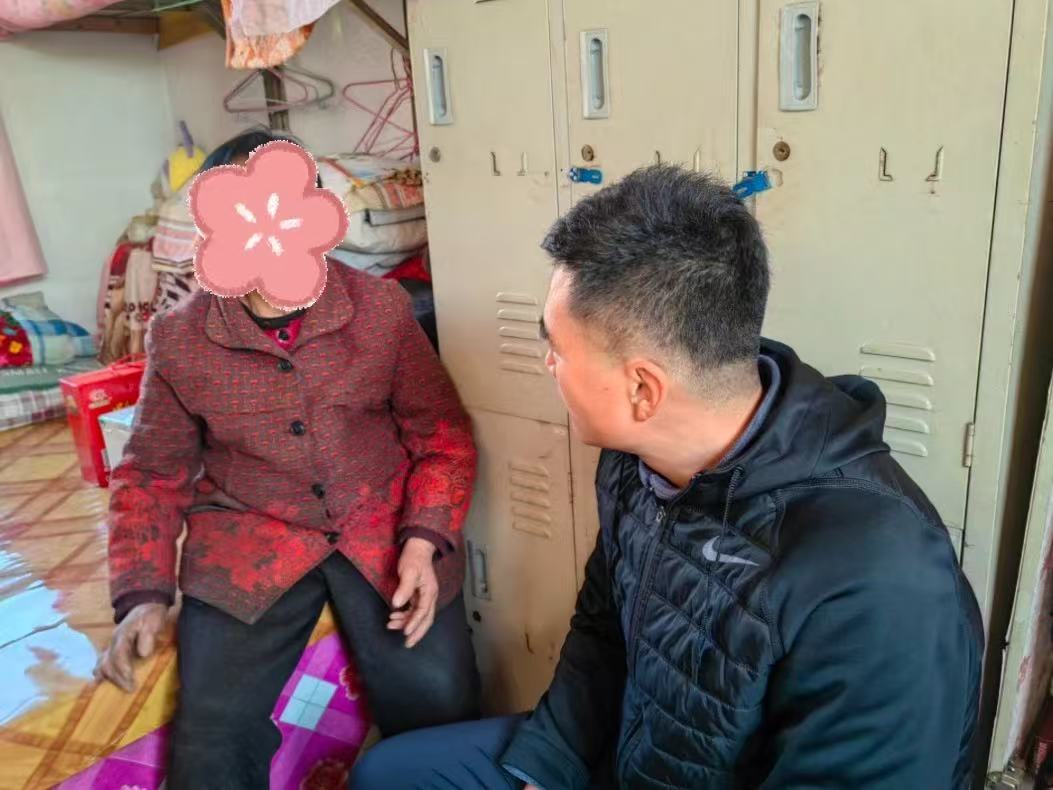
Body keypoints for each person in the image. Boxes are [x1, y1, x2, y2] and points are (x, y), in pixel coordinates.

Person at [350, 165, 985, 789]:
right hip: (634, 753)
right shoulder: (636, 461)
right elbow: (602, 630)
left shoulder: (879, 575)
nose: (548, 365)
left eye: (559, 349)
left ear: (642, 390)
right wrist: (547, 769)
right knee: (390, 773)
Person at [94, 130, 481, 789]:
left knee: (438, 701)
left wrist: (424, 538)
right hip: (248, 540)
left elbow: (441, 435)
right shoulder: (181, 336)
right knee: (212, 736)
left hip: (380, 528)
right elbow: (151, 474)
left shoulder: (380, 308)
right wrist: (142, 593)